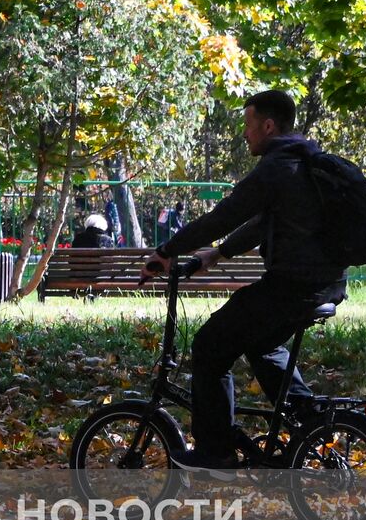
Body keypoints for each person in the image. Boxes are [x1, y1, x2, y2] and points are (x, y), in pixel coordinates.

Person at [141, 89, 348, 479]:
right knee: (260, 341)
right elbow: (264, 223)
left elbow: (225, 216)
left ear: (269, 125)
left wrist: (168, 250)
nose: (245, 135)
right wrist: (217, 255)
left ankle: (216, 453)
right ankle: (308, 419)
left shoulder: (277, 167)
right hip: (326, 284)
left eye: (249, 126)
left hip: (292, 286)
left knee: (209, 346)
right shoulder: (305, 162)